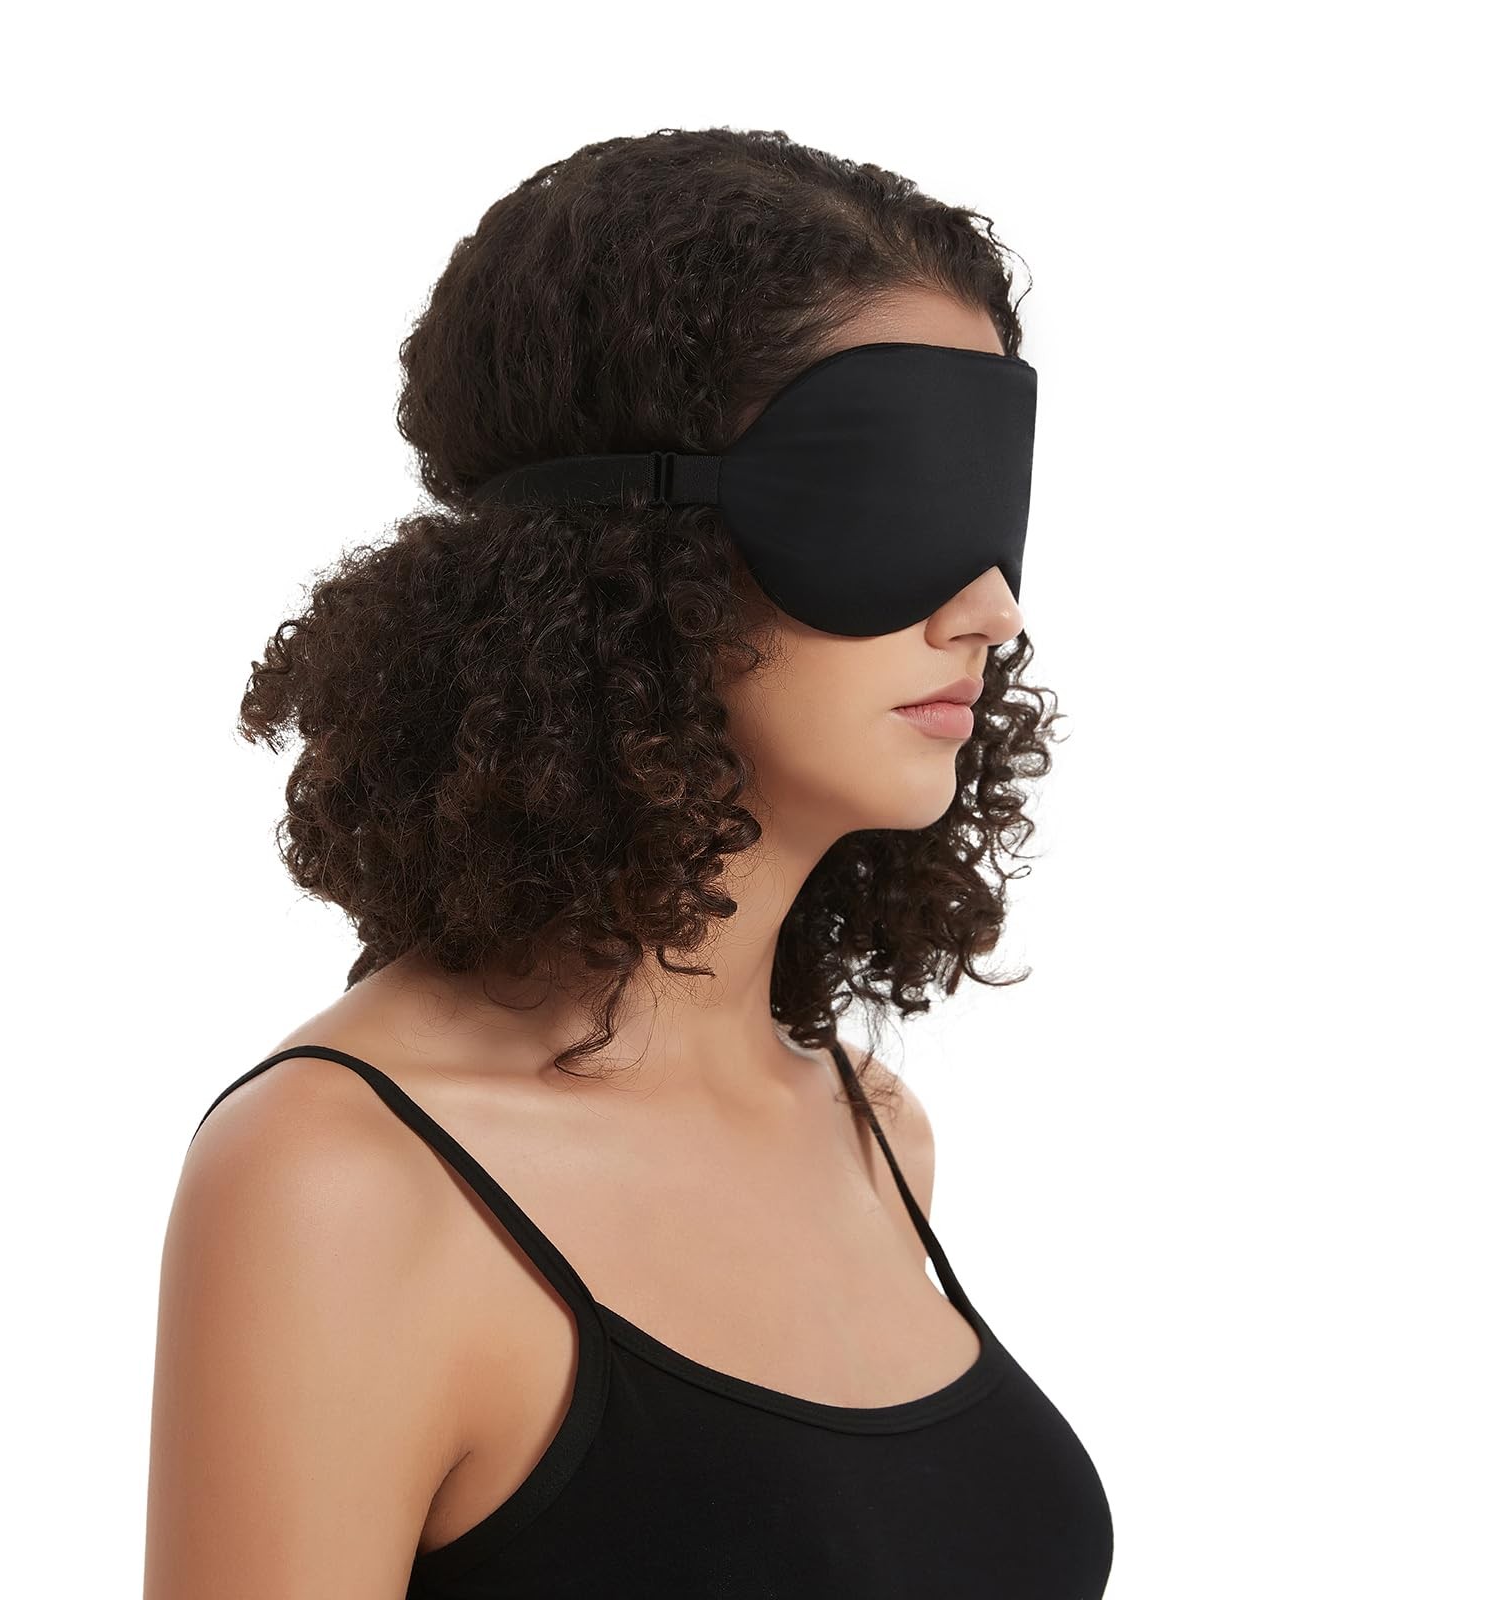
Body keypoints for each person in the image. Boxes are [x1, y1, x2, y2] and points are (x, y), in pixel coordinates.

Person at [144, 126, 1113, 1598]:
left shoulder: (878, 1137)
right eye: (898, 501)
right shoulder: (344, 1184)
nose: (991, 608)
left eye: (992, 507)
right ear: (620, 550)